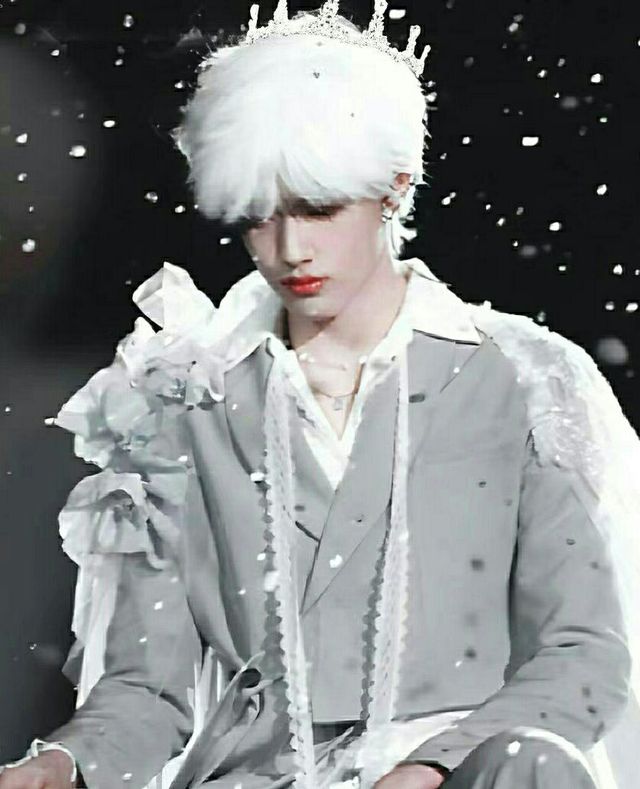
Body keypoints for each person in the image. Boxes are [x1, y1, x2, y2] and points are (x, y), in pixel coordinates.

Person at [1, 1, 638, 788]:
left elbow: (584, 655)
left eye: (319, 208)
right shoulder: (185, 402)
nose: (290, 249)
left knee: (531, 766)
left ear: (395, 189)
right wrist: (64, 761)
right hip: (257, 779)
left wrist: (429, 767)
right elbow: (147, 690)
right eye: (260, 217)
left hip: (469, 769)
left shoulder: (519, 377)